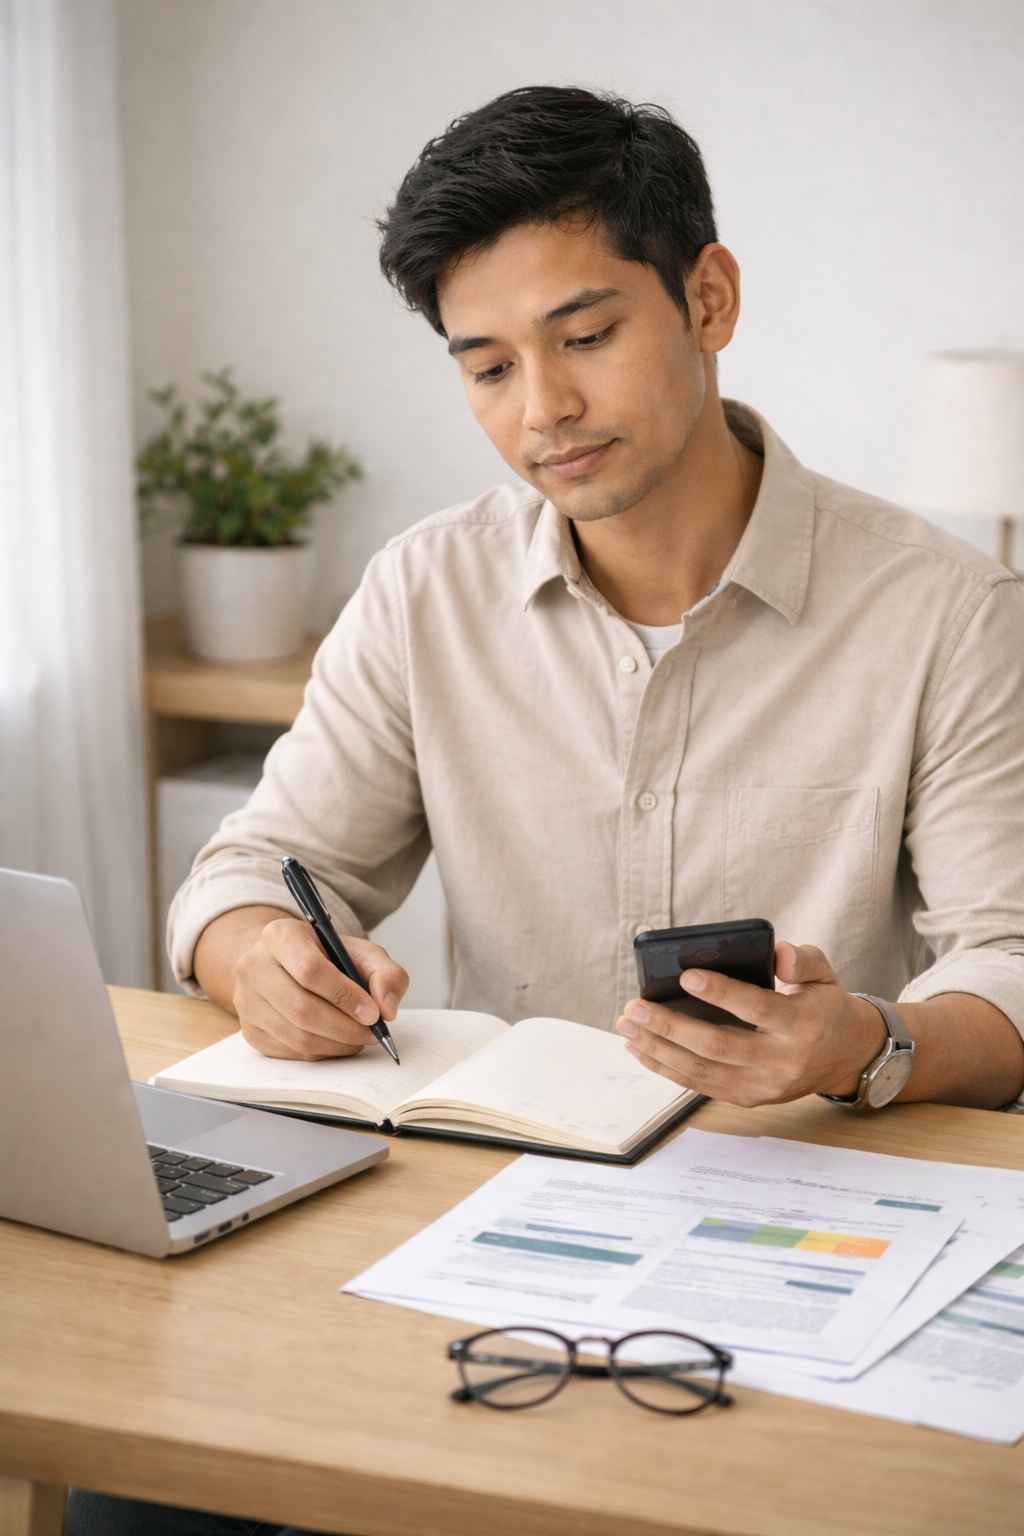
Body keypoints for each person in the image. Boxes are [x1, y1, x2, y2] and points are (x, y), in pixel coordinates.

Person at [67, 80, 1024, 1536]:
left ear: (708, 298)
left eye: (584, 338)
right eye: (488, 367)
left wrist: (869, 1040)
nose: (544, 411)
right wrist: (255, 947)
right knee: (138, 1485)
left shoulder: (946, 613)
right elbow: (255, 866)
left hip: (787, 1235)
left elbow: (1011, 963)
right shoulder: (425, 588)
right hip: (472, 1225)